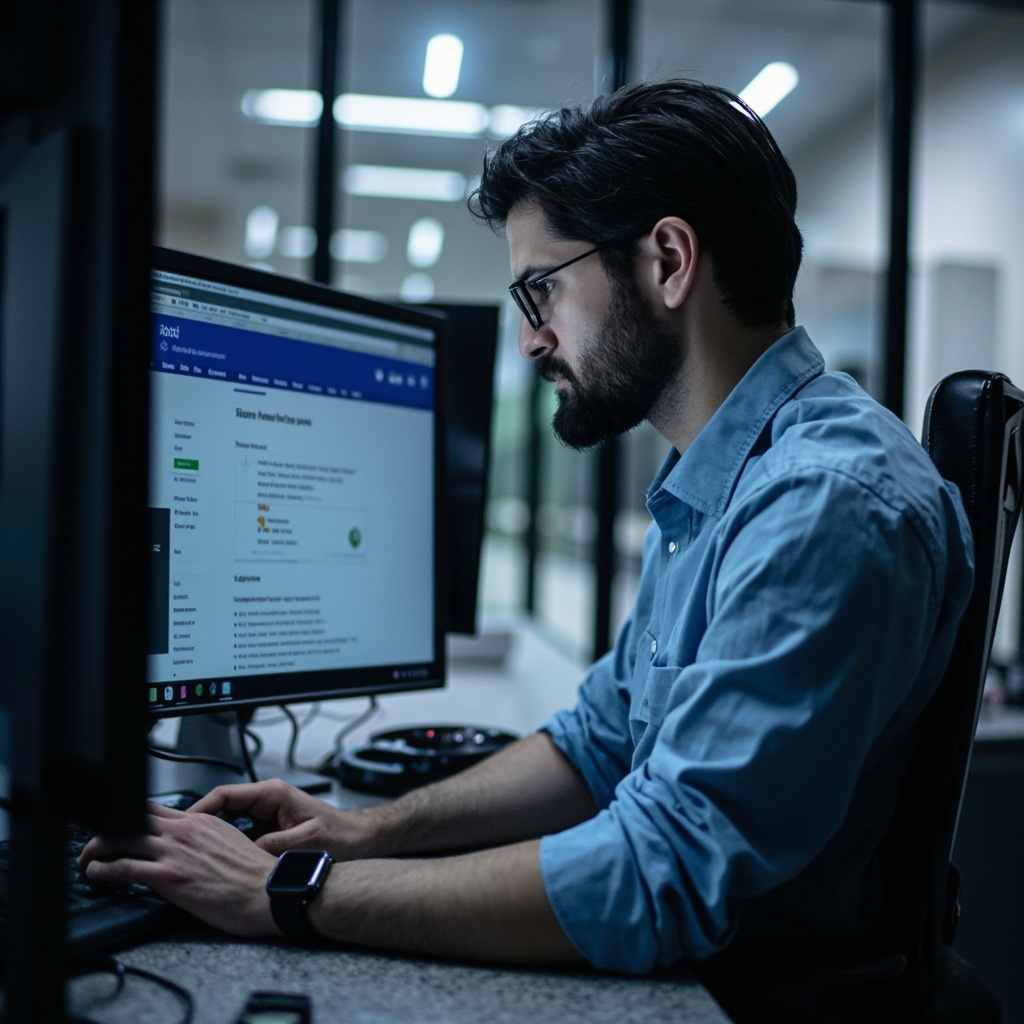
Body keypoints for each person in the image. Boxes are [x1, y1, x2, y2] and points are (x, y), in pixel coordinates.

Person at [80, 79, 973, 980]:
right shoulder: (716, 485)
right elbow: (596, 743)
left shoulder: (821, 503)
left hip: (758, 997)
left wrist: (283, 893)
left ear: (668, 261)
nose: (530, 340)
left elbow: (658, 873)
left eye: (542, 289)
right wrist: (363, 831)